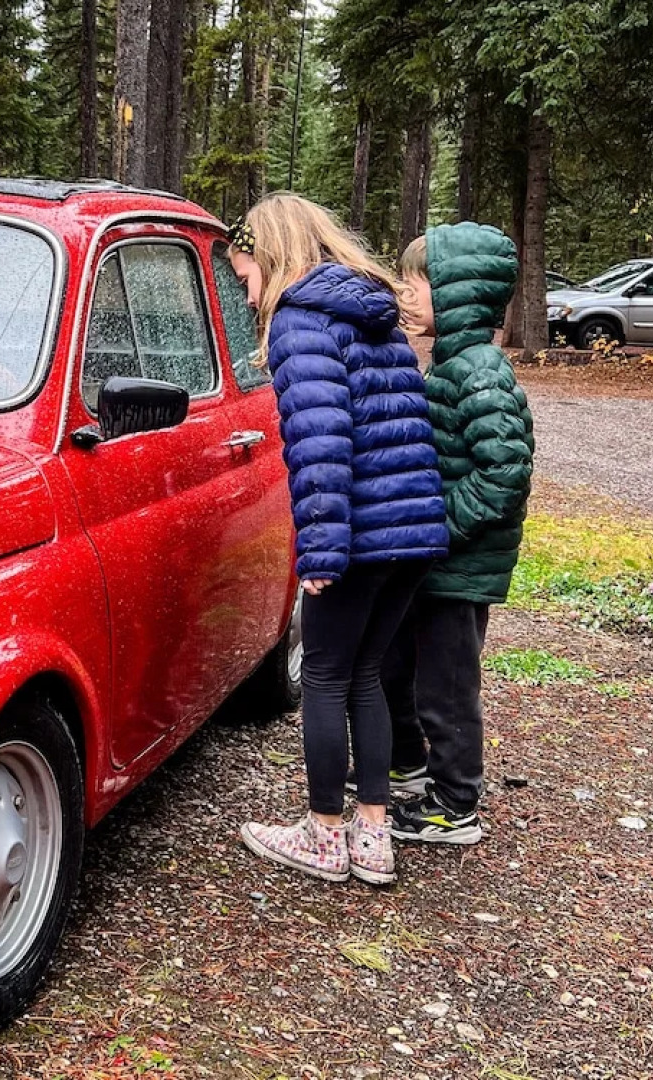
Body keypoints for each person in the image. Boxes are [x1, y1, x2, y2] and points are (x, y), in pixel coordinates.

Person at [228, 193, 449, 885]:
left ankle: (325, 834)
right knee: (365, 677)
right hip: (413, 530)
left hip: (358, 532)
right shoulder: (372, 313)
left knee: (324, 675)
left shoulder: (301, 319)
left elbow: (323, 442)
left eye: (245, 278)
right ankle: (373, 837)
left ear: (270, 255)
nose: (248, 294)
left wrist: (321, 548)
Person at [381, 223, 534, 844]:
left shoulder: (479, 372)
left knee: (446, 685)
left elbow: (506, 472)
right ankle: (415, 768)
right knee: (403, 667)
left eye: (416, 282)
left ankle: (455, 804)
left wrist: (437, 524)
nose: (405, 292)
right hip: (436, 560)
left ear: (455, 292)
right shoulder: (452, 361)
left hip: (459, 563)